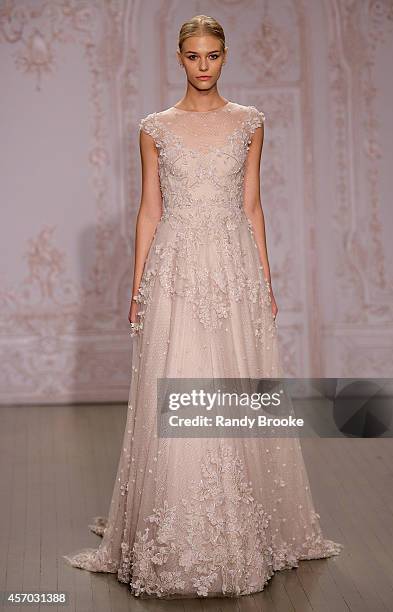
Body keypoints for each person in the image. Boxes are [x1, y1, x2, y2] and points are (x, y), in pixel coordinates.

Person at [63, 14, 343, 599]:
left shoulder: (249, 123)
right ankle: (175, 525)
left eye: (213, 55)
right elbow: (148, 211)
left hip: (233, 268)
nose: (204, 66)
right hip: (177, 268)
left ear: (225, 57)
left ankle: (246, 526)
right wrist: (137, 285)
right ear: (179, 58)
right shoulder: (155, 129)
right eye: (194, 56)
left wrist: (264, 279)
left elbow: (254, 206)